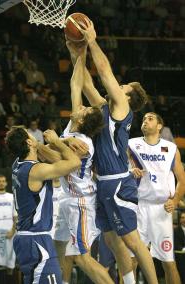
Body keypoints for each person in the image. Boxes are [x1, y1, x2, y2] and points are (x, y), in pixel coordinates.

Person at [68, 21, 159, 284]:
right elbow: (85, 82)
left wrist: (93, 40)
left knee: (132, 240)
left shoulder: (122, 108)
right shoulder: (104, 107)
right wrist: (77, 50)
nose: (120, 86)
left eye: (125, 87)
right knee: (111, 239)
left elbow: (105, 71)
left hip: (118, 182)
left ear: (128, 97)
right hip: (104, 184)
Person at [38, 53, 114, 284]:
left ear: (82, 121)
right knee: (61, 250)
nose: (80, 106)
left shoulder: (83, 143)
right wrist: (78, 54)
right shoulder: (73, 124)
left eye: (84, 110)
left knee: (82, 257)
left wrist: (53, 142)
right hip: (67, 199)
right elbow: (75, 84)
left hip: (80, 201)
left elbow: (57, 161)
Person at [5, 126, 81, 284]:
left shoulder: (17, 165)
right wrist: (56, 142)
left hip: (25, 238)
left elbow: (43, 149)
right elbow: (75, 163)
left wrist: (64, 140)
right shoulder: (36, 170)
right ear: (28, 142)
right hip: (36, 239)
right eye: (31, 135)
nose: (35, 137)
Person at [128, 112, 185, 284]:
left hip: (161, 209)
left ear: (160, 126)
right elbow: (117, 172)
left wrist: (174, 202)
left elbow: (182, 180)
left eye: (150, 119)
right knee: (131, 261)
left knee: (168, 262)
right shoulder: (131, 144)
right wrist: (128, 171)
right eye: (144, 119)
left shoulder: (171, 149)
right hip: (138, 207)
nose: (145, 121)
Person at [0, 174, 17, 280]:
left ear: (6, 183)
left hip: (10, 231)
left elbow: (16, 216)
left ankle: (10, 280)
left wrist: (13, 231)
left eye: (3, 181)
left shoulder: (11, 197)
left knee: (10, 260)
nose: (1, 183)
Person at [174, 211, 185, 283]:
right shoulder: (175, 230)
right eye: (182, 218)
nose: (184, 219)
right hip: (181, 257)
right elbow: (176, 243)